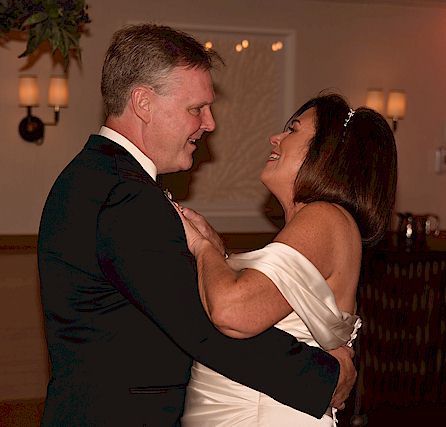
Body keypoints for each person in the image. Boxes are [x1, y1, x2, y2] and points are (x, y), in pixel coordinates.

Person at [37, 25, 356, 426]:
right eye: (196, 108)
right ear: (143, 103)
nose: (210, 123)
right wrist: (326, 376)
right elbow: (204, 327)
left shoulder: (95, 177)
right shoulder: (125, 195)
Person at [177, 93, 398, 426]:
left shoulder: (324, 217)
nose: (275, 138)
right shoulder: (319, 224)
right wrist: (217, 250)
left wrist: (202, 247)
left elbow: (232, 311)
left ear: (327, 155)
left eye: (293, 130)